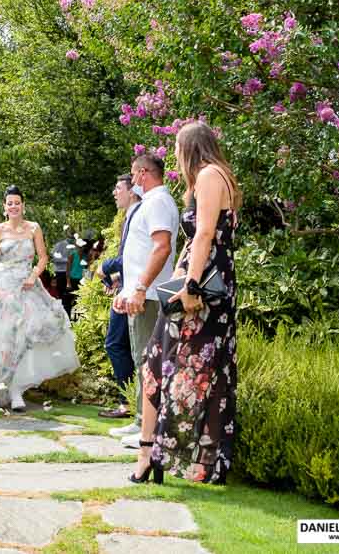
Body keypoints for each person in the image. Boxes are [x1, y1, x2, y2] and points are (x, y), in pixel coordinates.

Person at [131, 123, 241, 486]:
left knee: (191, 370)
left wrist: (191, 286)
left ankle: (173, 458)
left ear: (191, 147)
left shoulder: (211, 175)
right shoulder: (208, 178)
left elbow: (207, 234)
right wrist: (179, 277)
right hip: (199, 279)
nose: (176, 156)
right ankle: (150, 452)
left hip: (205, 288)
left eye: (178, 147)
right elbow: (196, 240)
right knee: (159, 362)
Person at [0, 185, 79, 411]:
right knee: (0, 336)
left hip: (28, 286)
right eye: (9, 203)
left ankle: (17, 388)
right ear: (4, 207)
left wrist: (33, 276)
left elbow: (43, 258)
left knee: (28, 334)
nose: (13, 206)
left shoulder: (34, 228)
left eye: (17, 202)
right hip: (3, 286)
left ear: (23, 205)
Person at [111, 153, 179, 450]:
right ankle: (140, 420)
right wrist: (125, 290)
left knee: (148, 359)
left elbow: (161, 248)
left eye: (133, 174)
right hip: (138, 294)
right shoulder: (147, 204)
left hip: (150, 296)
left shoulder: (159, 203)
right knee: (142, 357)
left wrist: (139, 288)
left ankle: (146, 427)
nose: (132, 180)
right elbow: (137, 253)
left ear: (142, 174)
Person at [97, 174, 141, 419]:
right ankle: (130, 401)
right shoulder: (129, 215)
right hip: (127, 285)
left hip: (134, 291)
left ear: (132, 190)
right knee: (121, 345)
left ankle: (128, 402)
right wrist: (116, 278)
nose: (115, 193)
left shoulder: (137, 213)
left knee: (116, 344)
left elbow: (135, 255)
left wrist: (107, 265)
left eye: (118, 188)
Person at [51, 236, 72, 314]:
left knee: (63, 294)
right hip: (62, 272)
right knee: (62, 294)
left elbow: (54, 258)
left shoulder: (70, 245)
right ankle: (63, 312)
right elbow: (54, 258)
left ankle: (64, 312)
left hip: (64, 272)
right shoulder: (61, 245)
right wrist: (67, 260)